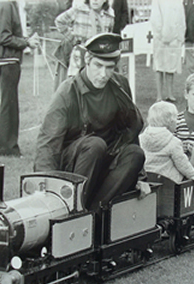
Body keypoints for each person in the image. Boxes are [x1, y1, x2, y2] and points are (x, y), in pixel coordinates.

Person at [35, 33, 147, 212]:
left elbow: (129, 130)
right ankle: (73, 209)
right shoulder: (67, 92)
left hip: (105, 162)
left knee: (135, 154)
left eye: (109, 67)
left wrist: (140, 177)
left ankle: (95, 212)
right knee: (95, 145)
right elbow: (48, 144)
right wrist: (45, 194)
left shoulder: (120, 86)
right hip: (75, 166)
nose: (103, 74)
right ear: (87, 60)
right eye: (98, 65)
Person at [0, 1, 39, 157]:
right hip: (7, 60)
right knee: (9, 105)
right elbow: (4, 37)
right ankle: (7, 148)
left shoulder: (8, 4)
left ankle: (6, 146)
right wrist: (26, 42)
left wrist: (25, 39)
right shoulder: (5, 4)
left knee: (9, 104)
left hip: (9, 59)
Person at [53, 0, 114, 91]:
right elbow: (59, 21)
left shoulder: (109, 15)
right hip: (81, 53)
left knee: (97, 84)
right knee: (76, 85)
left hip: (99, 55)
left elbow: (109, 34)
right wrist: (72, 38)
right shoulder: (79, 10)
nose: (95, 1)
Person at [140, 101, 194, 185]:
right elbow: (182, 164)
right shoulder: (173, 142)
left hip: (147, 178)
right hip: (169, 181)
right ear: (171, 122)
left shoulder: (141, 139)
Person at [150, 0, 185, 102]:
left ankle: (170, 93)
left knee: (171, 66)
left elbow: (181, 18)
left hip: (174, 39)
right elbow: (155, 18)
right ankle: (159, 95)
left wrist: (180, 35)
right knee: (159, 66)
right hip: (161, 39)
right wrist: (160, 33)